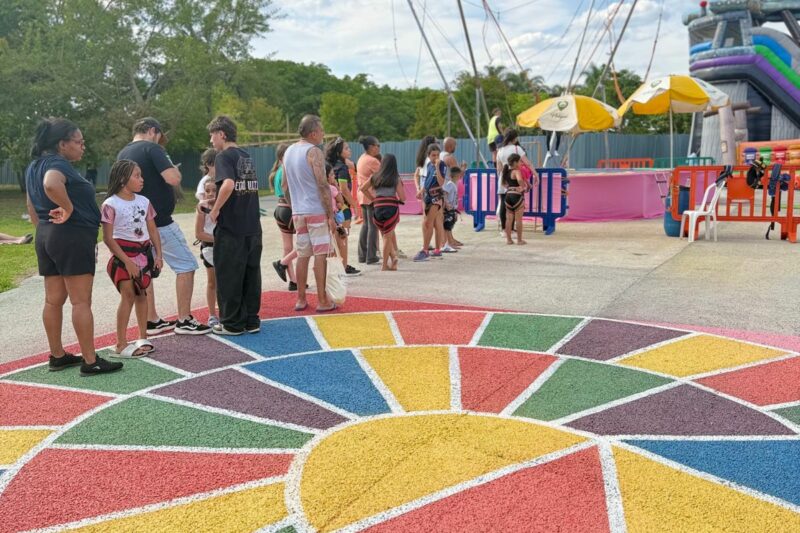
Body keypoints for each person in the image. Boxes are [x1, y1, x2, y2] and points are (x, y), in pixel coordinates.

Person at [25, 118, 123, 376]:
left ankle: (57, 355)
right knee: (81, 301)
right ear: (62, 144)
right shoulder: (57, 164)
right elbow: (51, 184)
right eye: (78, 142)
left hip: (47, 235)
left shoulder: (33, 165)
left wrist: (44, 228)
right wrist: (68, 209)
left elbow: (31, 204)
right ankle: (90, 361)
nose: (83, 146)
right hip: (71, 236)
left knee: (53, 300)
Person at [117, 117, 210, 335]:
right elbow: (173, 178)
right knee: (186, 265)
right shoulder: (152, 148)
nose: (160, 141)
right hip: (159, 222)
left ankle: (151, 319)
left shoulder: (123, 153)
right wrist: (172, 168)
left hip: (135, 223)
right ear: (152, 131)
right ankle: (184, 319)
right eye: (160, 137)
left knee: (145, 269)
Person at [207, 115, 263, 335]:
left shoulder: (224, 157)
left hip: (232, 228)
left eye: (212, 135)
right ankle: (251, 320)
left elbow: (229, 184)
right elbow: (242, 187)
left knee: (229, 274)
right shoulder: (245, 156)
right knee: (251, 274)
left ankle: (231, 323)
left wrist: (215, 209)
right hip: (252, 225)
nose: (211, 141)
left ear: (222, 134)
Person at [101, 160, 162, 358]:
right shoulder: (110, 204)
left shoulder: (144, 201)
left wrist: (158, 255)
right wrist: (127, 262)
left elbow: (152, 229)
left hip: (144, 256)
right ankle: (120, 343)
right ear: (122, 179)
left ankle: (142, 337)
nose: (142, 179)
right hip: (122, 258)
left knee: (142, 294)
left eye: (141, 175)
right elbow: (108, 239)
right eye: (137, 176)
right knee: (127, 296)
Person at [281, 115, 337, 313]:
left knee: (303, 255)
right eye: (321, 130)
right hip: (316, 211)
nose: (323, 134)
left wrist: (294, 205)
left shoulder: (288, 151)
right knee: (320, 254)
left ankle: (301, 298)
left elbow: (283, 185)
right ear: (313, 133)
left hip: (299, 212)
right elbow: (322, 184)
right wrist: (330, 215)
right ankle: (322, 300)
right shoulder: (314, 152)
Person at [360, 154, 406, 271]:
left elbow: (363, 188)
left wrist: (373, 198)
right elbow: (403, 197)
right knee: (387, 236)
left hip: (378, 207)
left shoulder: (375, 177)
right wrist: (398, 199)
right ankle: (385, 265)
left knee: (385, 235)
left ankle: (393, 258)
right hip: (390, 207)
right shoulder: (395, 178)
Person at [325, 137, 361, 276]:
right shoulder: (342, 168)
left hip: (331, 207)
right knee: (343, 236)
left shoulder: (329, 165)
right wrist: (354, 205)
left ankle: (339, 265)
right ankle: (344, 267)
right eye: (346, 148)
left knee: (335, 238)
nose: (349, 150)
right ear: (339, 152)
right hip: (343, 207)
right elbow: (344, 189)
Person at [270, 143, 301, 291]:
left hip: (279, 209)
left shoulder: (277, 171)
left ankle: (293, 281)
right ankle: (282, 263)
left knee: (288, 247)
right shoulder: (287, 169)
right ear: (284, 156)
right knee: (306, 242)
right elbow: (288, 188)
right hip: (288, 209)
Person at [496, 129, 533, 234]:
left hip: (503, 178)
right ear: (515, 138)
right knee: (515, 206)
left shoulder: (500, 150)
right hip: (514, 181)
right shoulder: (517, 148)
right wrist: (533, 177)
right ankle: (511, 229)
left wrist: (503, 179)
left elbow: (498, 169)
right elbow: (528, 163)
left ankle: (505, 229)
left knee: (504, 204)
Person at [413, 144, 447, 262]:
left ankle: (425, 250)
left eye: (437, 155)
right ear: (428, 156)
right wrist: (421, 191)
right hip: (427, 195)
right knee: (433, 223)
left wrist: (437, 167)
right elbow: (427, 181)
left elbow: (441, 182)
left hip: (436, 196)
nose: (435, 157)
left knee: (428, 223)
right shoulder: (428, 165)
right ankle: (437, 249)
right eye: (433, 155)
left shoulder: (441, 165)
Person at [195, 179, 219, 327]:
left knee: (228, 281)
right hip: (210, 249)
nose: (210, 194)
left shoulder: (226, 206)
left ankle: (228, 311)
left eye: (214, 190)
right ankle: (212, 314)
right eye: (207, 191)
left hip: (227, 249)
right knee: (212, 282)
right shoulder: (202, 209)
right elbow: (199, 234)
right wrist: (220, 240)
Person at [356, 136, 381, 265]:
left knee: (366, 225)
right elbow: (383, 175)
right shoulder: (373, 161)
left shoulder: (361, 158)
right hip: (371, 196)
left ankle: (362, 254)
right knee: (373, 226)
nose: (379, 148)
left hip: (362, 195)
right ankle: (371, 255)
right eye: (378, 145)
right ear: (371, 146)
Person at [502, 153, 528, 245]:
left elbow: (504, 184)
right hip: (516, 196)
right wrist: (523, 187)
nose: (521, 163)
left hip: (508, 196)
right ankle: (519, 240)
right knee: (518, 220)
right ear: (515, 162)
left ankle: (509, 240)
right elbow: (520, 180)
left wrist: (510, 188)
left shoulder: (506, 172)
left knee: (509, 219)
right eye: (520, 161)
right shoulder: (517, 171)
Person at [443, 166, 462, 251]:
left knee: (450, 225)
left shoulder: (454, 184)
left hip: (452, 208)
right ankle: (450, 242)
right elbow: (444, 193)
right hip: (449, 208)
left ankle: (451, 240)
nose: (459, 177)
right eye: (458, 176)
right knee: (448, 225)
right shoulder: (450, 184)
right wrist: (447, 204)